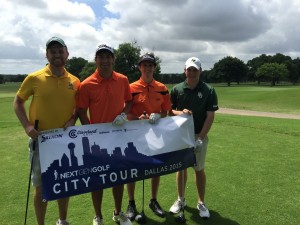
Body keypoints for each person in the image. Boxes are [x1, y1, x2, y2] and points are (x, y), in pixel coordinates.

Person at [13, 37, 80, 225]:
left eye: (60, 51)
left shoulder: (75, 81)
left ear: (67, 54)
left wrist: (73, 119)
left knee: (64, 184)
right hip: (40, 140)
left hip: (64, 141)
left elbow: (78, 107)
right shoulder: (34, 78)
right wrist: (27, 125)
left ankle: (62, 220)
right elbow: (18, 102)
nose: (57, 55)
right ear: (46, 54)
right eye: (53, 51)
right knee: (41, 187)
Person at [77, 44, 133, 225]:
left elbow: (129, 102)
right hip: (97, 141)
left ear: (113, 59)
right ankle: (98, 216)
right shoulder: (86, 84)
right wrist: (91, 131)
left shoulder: (123, 80)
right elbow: (81, 111)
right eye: (101, 57)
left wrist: (124, 114)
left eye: (108, 57)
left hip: (118, 138)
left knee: (118, 178)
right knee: (97, 179)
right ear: (96, 60)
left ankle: (118, 212)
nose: (105, 60)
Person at [168, 57, 218, 219]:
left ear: (200, 71)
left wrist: (200, 138)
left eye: (195, 70)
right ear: (184, 70)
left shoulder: (209, 91)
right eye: (189, 69)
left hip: (198, 135)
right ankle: (180, 199)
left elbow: (210, 116)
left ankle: (201, 202)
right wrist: (180, 112)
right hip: (181, 135)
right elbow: (169, 111)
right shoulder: (177, 89)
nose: (191, 73)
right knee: (181, 169)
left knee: (198, 169)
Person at [125, 53, 171, 221]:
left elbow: (166, 111)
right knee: (132, 169)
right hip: (135, 135)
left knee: (155, 168)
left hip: (155, 134)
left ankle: (153, 200)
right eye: (144, 65)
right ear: (139, 67)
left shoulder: (162, 87)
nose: (147, 68)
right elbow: (126, 113)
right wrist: (138, 119)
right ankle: (131, 203)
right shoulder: (130, 87)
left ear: (154, 67)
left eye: (150, 65)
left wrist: (159, 115)